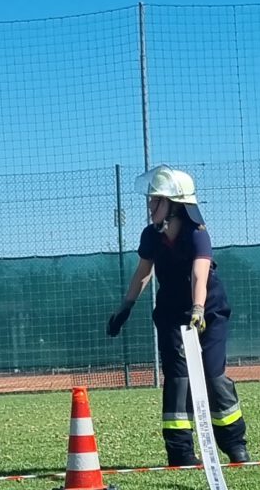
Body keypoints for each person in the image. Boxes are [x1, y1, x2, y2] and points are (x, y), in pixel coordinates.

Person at [106, 164, 249, 465]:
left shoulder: (198, 234)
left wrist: (198, 310)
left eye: (155, 199)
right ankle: (181, 452)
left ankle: (234, 444)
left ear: (175, 204)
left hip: (209, 310)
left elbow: (200, 274)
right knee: (178, 378)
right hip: (171, 313)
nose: (149, 205)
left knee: (212, 376)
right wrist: (126, 307)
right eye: (150, 198)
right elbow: (143, 273)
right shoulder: (151, 236)